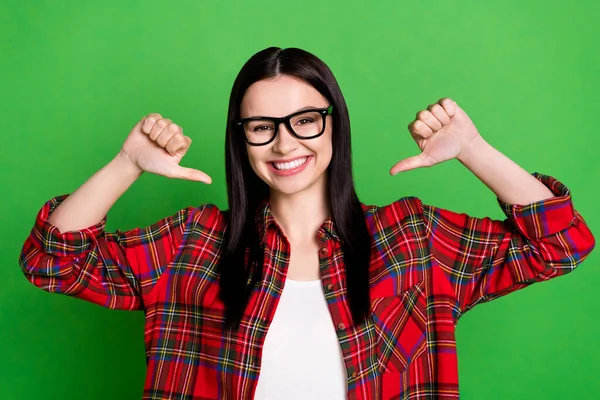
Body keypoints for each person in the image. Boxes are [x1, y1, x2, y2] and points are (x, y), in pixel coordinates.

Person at [19, 47, 595, 400]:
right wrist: (126, 166)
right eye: (261, 125)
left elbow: (562, 244)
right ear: (241, 140)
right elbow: (51, 262)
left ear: (335, 126)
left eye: (304, 120)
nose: (284, 141)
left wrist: (473, 149)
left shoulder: (411, 241)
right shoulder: (193, 242)